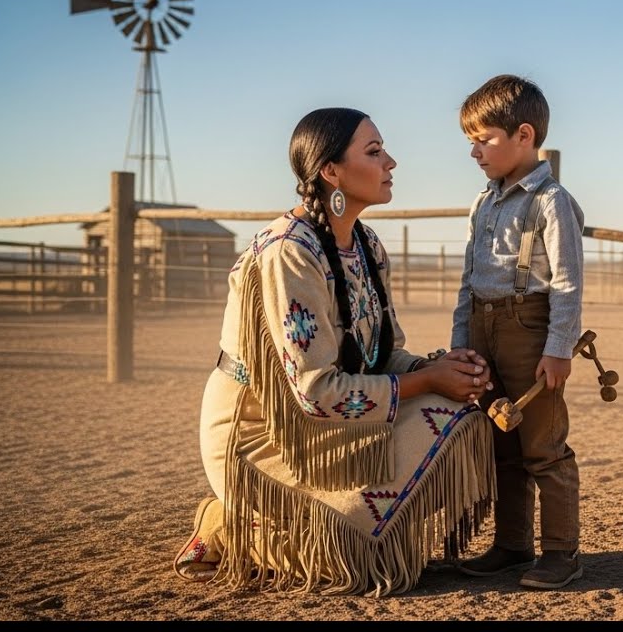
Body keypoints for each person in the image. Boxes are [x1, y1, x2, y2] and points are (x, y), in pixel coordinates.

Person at [172, 107, 498, 597]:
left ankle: (312, 523)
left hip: (323, 428)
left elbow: (384, 355)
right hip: (263, 434)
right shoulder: (289, 253)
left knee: (455, 414)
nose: (392, 162)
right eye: (374, 151)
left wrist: (441, 369)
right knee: (359, 561)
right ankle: (233, 526)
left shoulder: (366, 245)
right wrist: (428, 380)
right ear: (331, 171)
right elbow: (315, 391)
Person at [449, 74, 587, 590]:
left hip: (531, 330)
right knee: (499, 443)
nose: (475, 152)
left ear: (523, 136)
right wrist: (462, 344)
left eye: (484, 140)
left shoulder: (552, 202)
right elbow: (468, 281)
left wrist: (558, 349)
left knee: (542, 447)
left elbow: (568, 284)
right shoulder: (482, 203)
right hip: (484, 328)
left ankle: (561, 552)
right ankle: (512, 545)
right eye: (471, 142)